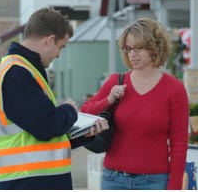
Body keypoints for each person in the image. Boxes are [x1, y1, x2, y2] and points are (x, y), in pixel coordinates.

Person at [0, 7, 109, 190]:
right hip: (29, 180)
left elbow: (41, 133)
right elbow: (46, 125)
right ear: (50, 40)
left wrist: (83, 135)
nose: (59, 54)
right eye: (60, 47)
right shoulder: (17, 72)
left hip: (29, 179)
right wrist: (69, 109)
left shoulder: (22, 69)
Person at [81, 18, 189, 190]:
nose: (132, 54)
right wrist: (108, 100)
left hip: (155, 182)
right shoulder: (116, 81)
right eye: (128, 49)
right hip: (113, 179)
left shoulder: (174, 89)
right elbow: (84, 112)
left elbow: (179, 142)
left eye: (138, 48)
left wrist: (174, 186)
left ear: (154, 47)